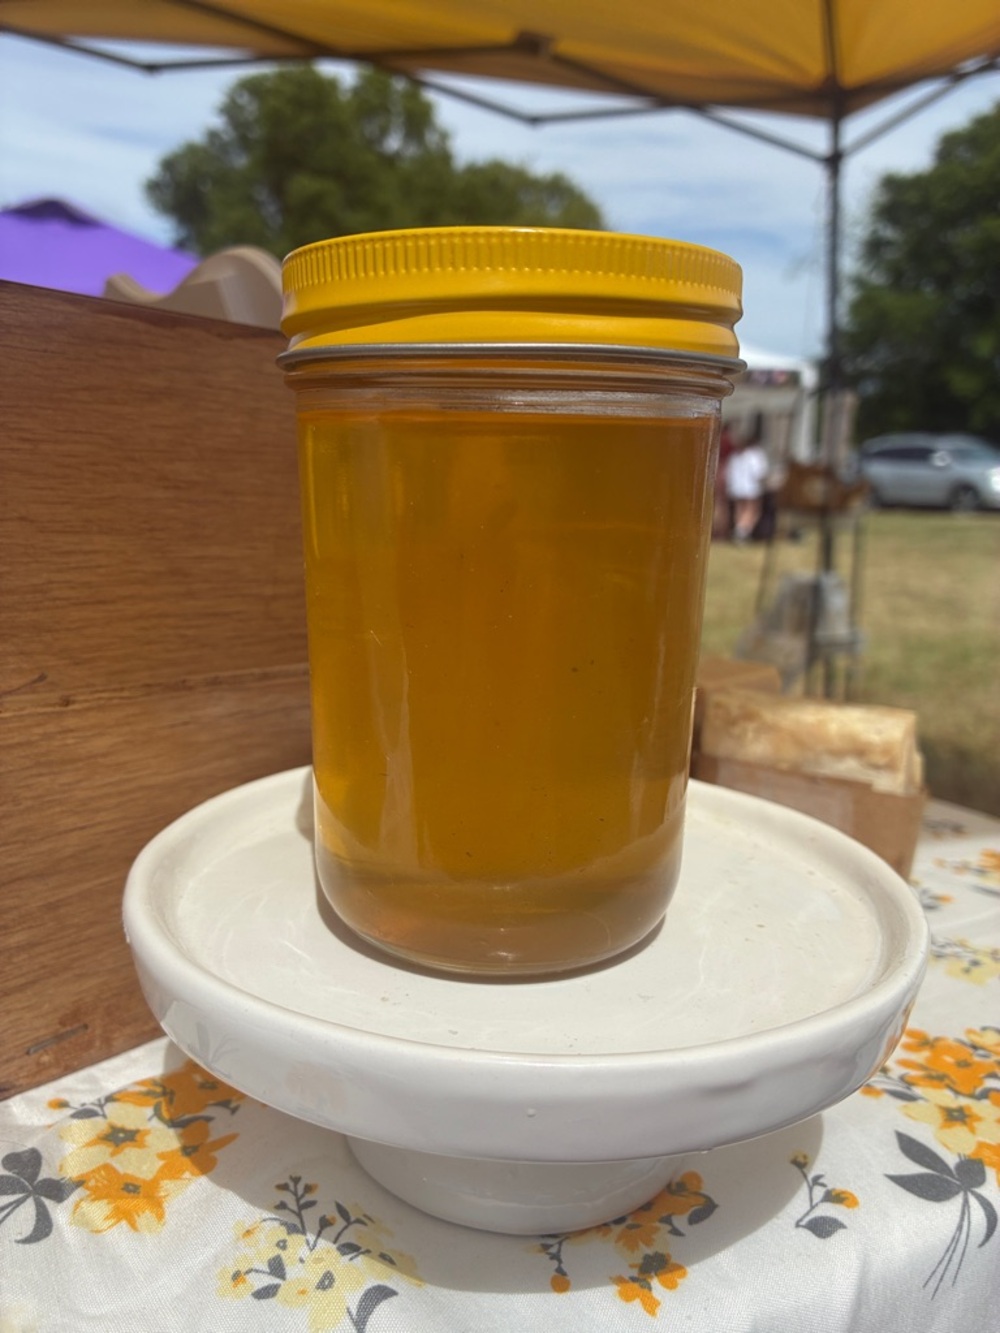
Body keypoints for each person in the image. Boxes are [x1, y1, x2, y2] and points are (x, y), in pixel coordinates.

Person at [725, 423, 768, 542]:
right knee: (752, 510)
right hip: (751, 488)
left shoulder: (734, 456)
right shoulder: (754, 455)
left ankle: (740, 530)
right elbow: (759, 473)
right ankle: (742, 531)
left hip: (736, 488)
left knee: (740, 510)